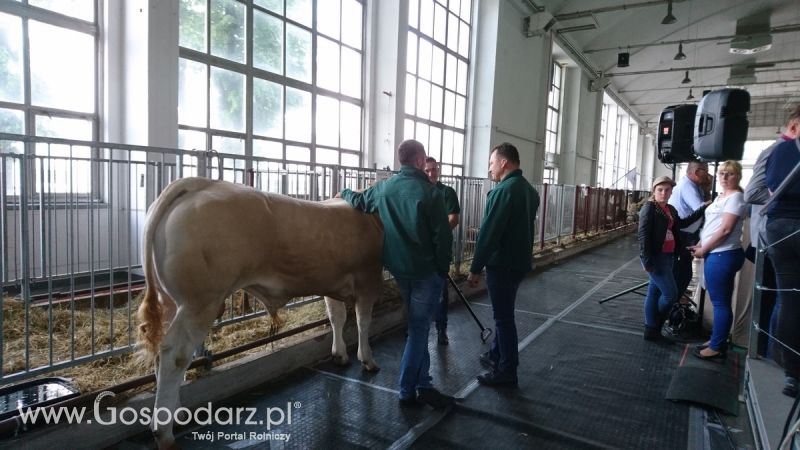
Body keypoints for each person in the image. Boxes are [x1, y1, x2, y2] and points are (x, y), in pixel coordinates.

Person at [338, 139, 455, 408]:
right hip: (426, 272)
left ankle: (423, 382)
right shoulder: (431, 194)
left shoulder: (384, 188)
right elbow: (443, 239)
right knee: (418, 329)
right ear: (418, 161)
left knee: (419, 326)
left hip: (400, 271)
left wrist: (343, 192)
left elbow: (359, 200)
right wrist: (442, 269)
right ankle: (405, 389)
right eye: (425, 160)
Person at [467, 143, 540, 387]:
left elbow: (489, 233)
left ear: (503, 163)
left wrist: (476, 267)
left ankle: (507, 372)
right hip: (519, 263)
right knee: (504, 313)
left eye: (491, 162)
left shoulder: (503, 192)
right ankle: (496, 354)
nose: (489, 168)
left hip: (502, 264)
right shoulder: (530, 191)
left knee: (503, 319)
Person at [744, 105, 800, 359]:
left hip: (774, 233)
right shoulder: (777, 151)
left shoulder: (778, 151)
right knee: (782, 298)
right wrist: (775, 196)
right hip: (775, 235)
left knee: (783, 298)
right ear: (793, 127)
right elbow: (753, 193)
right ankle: (776, 358)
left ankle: (779, 360)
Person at [638, 176, 707, 341]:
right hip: (656, 257)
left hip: (668, 256)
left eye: (667, 190)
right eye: (660, 190)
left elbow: (683, 223)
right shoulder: (649, 209)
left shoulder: (670, 209)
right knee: (670, 295)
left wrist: (702, 208)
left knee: (654, 292)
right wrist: (647, 260)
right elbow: (643, 236)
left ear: (671, 192)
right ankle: (657, 323)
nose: (664, 193)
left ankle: (651, 331)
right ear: (654, 191)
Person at [690, 161, 747, 360]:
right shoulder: (723, 197)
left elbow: (725, 230)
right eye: (721, 173)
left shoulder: (736, 197)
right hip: (718, 252)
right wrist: (701, 242)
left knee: (721, 303)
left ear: (737, 176)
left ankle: (716, 346)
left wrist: (704, 248)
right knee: (719, 302)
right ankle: (718, 339)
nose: (724, 177)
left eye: (729, 174)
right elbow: (713, 226)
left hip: (722, 253)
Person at [764, 136, 800, 397]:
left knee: (788, 301)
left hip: (778, 226)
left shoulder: (781, 150)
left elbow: (768, 188)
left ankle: (791, 374)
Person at [424, 157, 461, 346]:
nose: (431, 173)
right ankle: (416, 329)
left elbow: (453, 218)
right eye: (427, 170)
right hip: (420, 254)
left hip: (438, 251)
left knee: (440, 292)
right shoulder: (419, 191)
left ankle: (441, 329)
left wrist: (434, 236)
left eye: (434, 170)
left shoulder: (447, 192)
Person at [669, 161, 709, 301]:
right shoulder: (688, 186)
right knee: (683, 271)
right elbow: (700, 209)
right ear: (698, 172)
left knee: (683, 270)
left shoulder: (694, 185)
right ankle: (673, 300)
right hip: (683, 234)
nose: (708, 175)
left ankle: (675, 298)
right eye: (706, 171)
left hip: (686, 232)